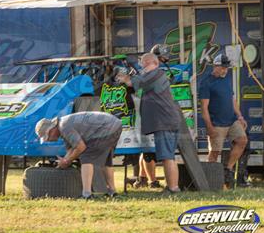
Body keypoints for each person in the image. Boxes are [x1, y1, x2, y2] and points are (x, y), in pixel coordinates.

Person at [116, 53, 181, 193]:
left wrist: (123, 77)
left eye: (143, 63)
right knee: (169, 156)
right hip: (167, 121)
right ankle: (173, 187)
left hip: (165, 122)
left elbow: (132, 83)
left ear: (151, 62)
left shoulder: (155, 74)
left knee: (167, 157)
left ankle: (173, 188)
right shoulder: (155, 76)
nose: (142, 66)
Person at [35, 112, 122, 199]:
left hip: (106, 127)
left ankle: (86, 194)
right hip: (115, 125)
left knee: (86, 156)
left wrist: (67, 161)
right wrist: (64, 160)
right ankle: (112, 191)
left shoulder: (64, 127)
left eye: (47, 137)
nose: (49, 140)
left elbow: (80, 147)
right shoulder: (63, 125)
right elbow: (71, 149)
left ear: (51, 129)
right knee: (106, 160)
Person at [199, 54, 248, 188]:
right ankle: (210, 183)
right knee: (214, 153)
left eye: (227, 68)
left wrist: (240, 116)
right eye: (223, 68)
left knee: (242, 141)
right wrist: (209, 127)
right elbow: (204, 108)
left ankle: (227, 170)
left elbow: (232, 100)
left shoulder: (226, 79)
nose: (225, 70)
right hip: (217, 123)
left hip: (232, 120)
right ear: (215, 66)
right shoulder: (206, 82)